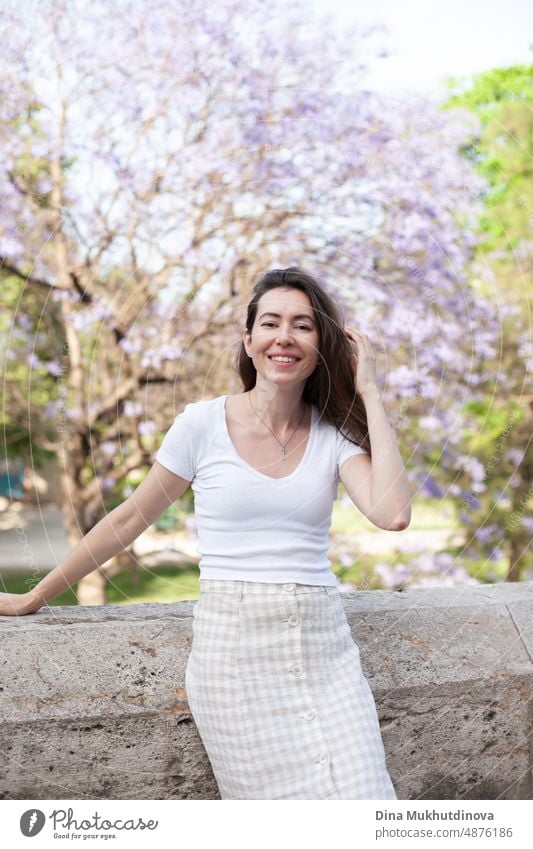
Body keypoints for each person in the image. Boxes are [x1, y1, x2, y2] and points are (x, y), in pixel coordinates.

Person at [0, 266, 412, 800]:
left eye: (303, 326)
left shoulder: (332, 435)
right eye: (270, 323)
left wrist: (371, 392)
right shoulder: (202, 424)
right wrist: (37, 594)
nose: (284, 337)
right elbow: (128, 519)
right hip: (235, 660)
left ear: (322, 344)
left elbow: (393, 513)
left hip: (326, 655)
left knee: (368, 806)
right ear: (249, 340)